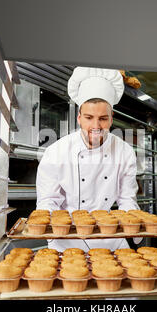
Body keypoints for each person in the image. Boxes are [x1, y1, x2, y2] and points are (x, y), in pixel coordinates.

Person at [35, 67, 140, 252]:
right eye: (89, 118)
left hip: (109, 238)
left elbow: (127, 199)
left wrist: (135, 225)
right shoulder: (55, 152)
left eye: (103, 119)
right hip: (66, 240)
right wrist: (51, 232)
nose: (96, 126)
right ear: (79, 118)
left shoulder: (124, 152)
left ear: (111, 118)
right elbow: (48, 202)